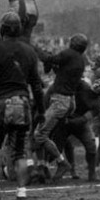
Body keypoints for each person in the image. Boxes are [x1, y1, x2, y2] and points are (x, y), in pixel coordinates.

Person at [0, 11, 45, 200]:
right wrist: (41, 110)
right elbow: (37, 85)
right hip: (22, 103)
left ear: (2, 28)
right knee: (19, 153)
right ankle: (21, 194)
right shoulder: (29, 51)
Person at [33, 33, 89, 181]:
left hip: (60, 100)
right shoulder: (80, 59)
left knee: (39, 134)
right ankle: (43, 166)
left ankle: (61, 162)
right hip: (70, 101)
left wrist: (37, 49)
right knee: (51, 134)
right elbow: (58, 69)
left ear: (74, 43)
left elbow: (49, 60)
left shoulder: (69, 54)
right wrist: (50, 60)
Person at [51, 77, 100, 182]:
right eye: (97, 82)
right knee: (56, 146)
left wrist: (69, 122)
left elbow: (85, 119)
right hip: (65, 118)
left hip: (79, 124)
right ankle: (63, 167)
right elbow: (72, 78)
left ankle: (92, 172)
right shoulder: (83, 85)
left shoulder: (97, 104)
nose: (97, 85)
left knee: (91, 145)